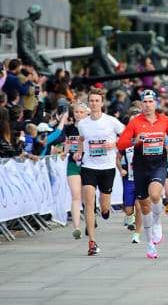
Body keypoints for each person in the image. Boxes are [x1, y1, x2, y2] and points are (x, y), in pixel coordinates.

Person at [117, 89, 168, 259]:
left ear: (156, 103)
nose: (148, 105)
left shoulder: (164, 120)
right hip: (140, 166)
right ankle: (150, 244)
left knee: (155, 194)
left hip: (158, 163)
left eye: (151, 102)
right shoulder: (135, 123)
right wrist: (133, 141)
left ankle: (158, 223)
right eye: (145, 102)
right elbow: (120, 143)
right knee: (144, 206)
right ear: (141, 104)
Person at [75, 87, 125, 255]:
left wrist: (115, 145)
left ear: (102, 103)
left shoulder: (111, 121)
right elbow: (81, 139)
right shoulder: (83, 123)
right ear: (88, 104)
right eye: (91, 101)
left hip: (107, 167)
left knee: (104, 203)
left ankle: (104, 210)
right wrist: (79, 152)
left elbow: (126, 135)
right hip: (89, 166)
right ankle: (92, 242)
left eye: (97, 101)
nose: (94, 103)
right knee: (88, 202)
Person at [64, 102, 89, 239]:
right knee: (75, 196)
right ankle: (76, 227)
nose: (78, 114)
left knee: (87, 198)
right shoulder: (69, 129)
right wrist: (65, 152)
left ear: (86, 114)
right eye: (76, 112)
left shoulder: (90, 128)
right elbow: (67, 143)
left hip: (87, 164)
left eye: (81, 112)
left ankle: (90, 223)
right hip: (73, 164)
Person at [117, 112, 142, 244]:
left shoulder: (146, 138)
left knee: (139, 207)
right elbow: (118, 158)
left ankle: (136, 234)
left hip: (142, 179)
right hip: (129, 179)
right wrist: (121, 169)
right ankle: (129, 218)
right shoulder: (125, 140)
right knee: (128, 210)